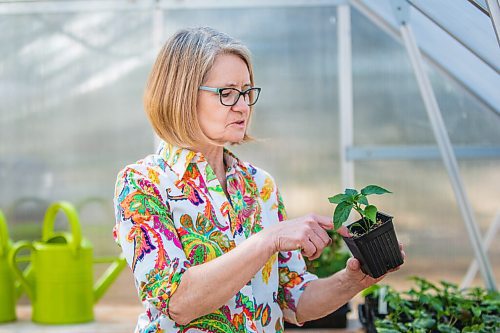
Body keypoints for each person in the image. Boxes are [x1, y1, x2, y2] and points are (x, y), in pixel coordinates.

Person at [113, 26, 404, 333]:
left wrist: (353, 280)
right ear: (182, 95)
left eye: (247, 92)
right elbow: (178, 303)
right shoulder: (142, 183)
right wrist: (267, 240)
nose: (242, 106)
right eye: (226, 93)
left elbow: (293, 300)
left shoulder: (260, 185)